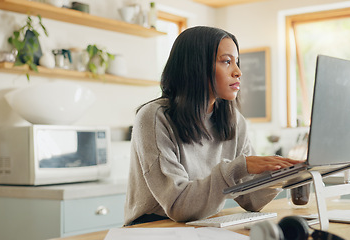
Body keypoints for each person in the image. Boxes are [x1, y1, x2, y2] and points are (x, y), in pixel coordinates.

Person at [124, 26, 301, 226]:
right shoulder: (154, 118)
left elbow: (251, 199)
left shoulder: (234, 120)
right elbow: (179, 205)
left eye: (237, 62)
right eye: (226, 61)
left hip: (201, 225)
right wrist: (237, 168)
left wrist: (284, 173)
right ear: (196, 66)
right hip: (152, 228)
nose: (238, 72)